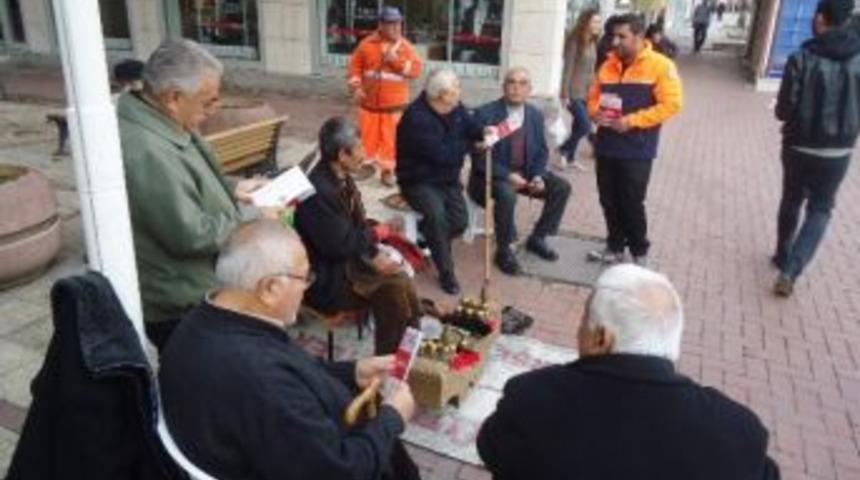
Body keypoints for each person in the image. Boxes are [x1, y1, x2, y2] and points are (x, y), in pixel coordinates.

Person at [160, 220, 420, 480]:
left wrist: (352, 371)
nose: (307, 288)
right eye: (305, 277)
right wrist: (392, 419)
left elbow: (291, 372)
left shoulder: (205, 319)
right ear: (271, 288)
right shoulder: (259, 379)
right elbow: (339, 471)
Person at [477, 264, 782, 480]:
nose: (579, 329)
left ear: (601, 338)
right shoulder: (738, 431)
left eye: (584, 320)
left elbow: (491, 448)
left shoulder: (533, 398)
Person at [118, 39, 270, 350]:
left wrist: (232, 188)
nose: (213, 111)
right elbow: (189, 234)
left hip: (193, 286)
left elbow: (188, 179)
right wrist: (251, 215)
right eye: (208, 102)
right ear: (174, 97)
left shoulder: (164, 117)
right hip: (179, 300)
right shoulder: (146, 149)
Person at [294, 117, 421, 354]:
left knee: (402, 277)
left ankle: (408, 350)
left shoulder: (342, 177)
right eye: (360, 148)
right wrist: (378, 233)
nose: (365, 153)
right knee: (393, 289)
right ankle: (388, 363)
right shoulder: (318, 192)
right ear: (342, 155)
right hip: (328, 279)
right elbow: (339, 247)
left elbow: (357, 224)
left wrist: (374, 253)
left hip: (350, 261)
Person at [772, 0, 860, 297]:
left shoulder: (801, 57)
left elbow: (783, 110)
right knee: (821, 209)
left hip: (798, 145)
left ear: (821, 18)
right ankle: (791, 269)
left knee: (791, 198)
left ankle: (782, 254)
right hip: (838, 151)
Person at [586, 14, 683, 266]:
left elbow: (672, 104)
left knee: (631, 202)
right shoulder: (607, 65)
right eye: (613, 36)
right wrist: (594, 112)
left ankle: (639, 252)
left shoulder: (661, 65)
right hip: (606, 145)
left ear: (639, 38)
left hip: (637, 149)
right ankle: (615, 246)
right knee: (608, 199)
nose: (615, 42)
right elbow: (593, 95)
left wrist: (631, 121)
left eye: (622, 36)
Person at [469, 67, 572, 275]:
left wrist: (537, 176)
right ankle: (504, 250)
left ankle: (538, 237)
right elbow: (478, 158)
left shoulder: (534, 114)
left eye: (522, 83)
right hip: (491, 176)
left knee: (562, 187)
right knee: (507, 193)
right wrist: (507, 175)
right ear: (503, 87)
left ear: (530, 89)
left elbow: (541, 152)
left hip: (525, 174)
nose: (516, 88)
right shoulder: (485, 113)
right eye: (511, 82)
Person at [396, 69, 487, 295]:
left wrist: (484, 132)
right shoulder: (416, 118)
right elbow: (443, 155)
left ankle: (429, 236)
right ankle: (447, 274)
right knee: (437, 218)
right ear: (440, 95)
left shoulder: (454, 107)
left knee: (459, 222)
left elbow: (471, 125)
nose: (459, 92)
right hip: (418, 180)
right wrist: (471, 145)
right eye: (455, 89)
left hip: (447, 179)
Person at [348, 6, 423, 187]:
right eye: (391, 24)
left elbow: (416, 70)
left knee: (391, 142)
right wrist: (356, 88)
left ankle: (387, 171)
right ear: (380, 25)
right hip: (369, 106)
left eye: (398, 23)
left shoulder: (405, 47)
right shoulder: (366, 45)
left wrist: (394, 61)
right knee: (367, 139)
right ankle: (366, 165)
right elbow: (354, 69)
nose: (396, 27)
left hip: (394, 107)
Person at [560, 8, 602, 168]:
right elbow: (568, 68)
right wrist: (564, 93)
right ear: (586, 22)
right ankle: (563, 149)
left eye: (599, 21)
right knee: (585, 125)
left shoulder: (592, 41)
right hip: (573, 91)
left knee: (578, 125)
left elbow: (591, 69)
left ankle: (570, 158)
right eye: (595, 21)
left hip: (587, 92)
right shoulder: (575, 40)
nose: (598, 24)